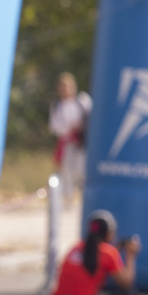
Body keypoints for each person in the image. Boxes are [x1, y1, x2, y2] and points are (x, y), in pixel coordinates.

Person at [49, 209, 139, 295]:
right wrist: (130, 255)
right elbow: (126, 283)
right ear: (109, 233)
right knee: (130, 294)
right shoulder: (108, 253)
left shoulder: (75, 248)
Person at [49, 72, 92, 204]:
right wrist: (70, 128)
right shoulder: (57, 105)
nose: (66, 89)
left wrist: (82, 126)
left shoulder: (83, 100)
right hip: (68, 141)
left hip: (83, 141)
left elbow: (93, 117)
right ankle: (69, 198)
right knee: (67, 172)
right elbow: (54, 126)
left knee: (84, 170)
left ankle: (86, 197)